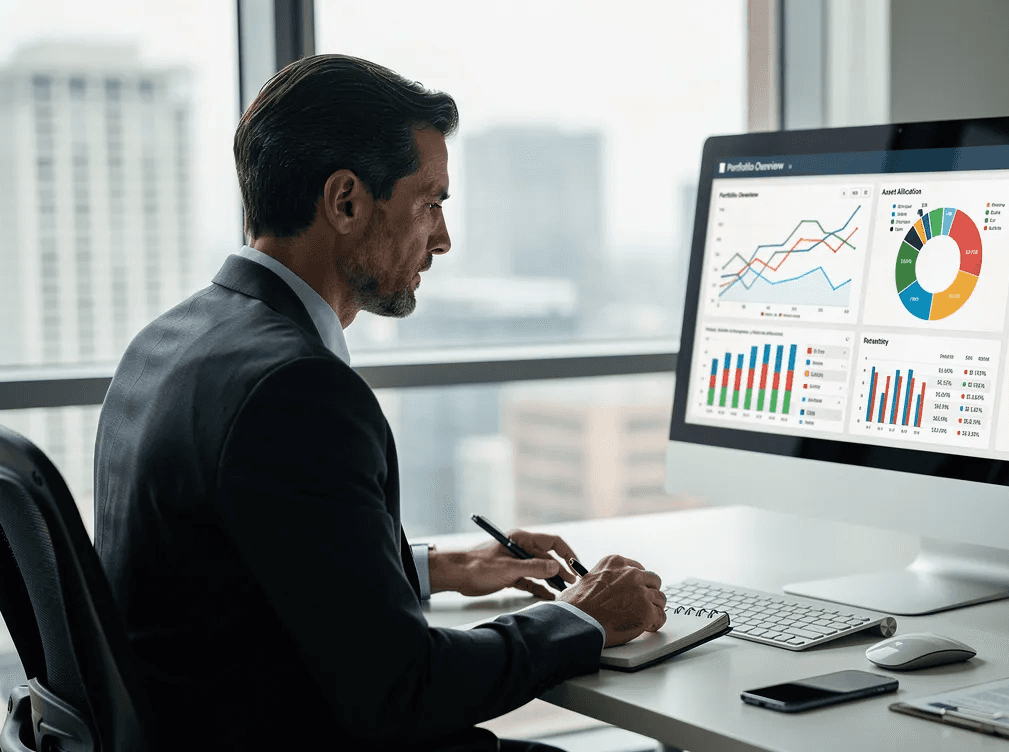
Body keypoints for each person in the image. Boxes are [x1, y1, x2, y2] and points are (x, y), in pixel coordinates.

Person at [93, 54, 666, 752]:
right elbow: (404, 691)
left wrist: (435, 567)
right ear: (346, 202)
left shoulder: (169, 340)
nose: (444, 239)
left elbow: (239, 577)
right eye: (431, 203)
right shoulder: (297, 390)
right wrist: (584, 618)